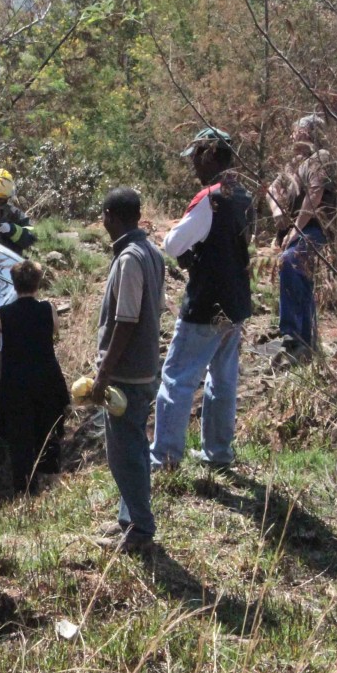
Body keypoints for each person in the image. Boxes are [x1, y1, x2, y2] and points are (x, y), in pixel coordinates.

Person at [152, 127, 255, 474]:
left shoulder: (209, 198)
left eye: (196, 155)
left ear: (210, 155)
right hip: (236, 298)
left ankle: (165, 457)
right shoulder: (243, 194)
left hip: (207, 300)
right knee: (223, 378)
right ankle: (218, 452)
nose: (193, 164)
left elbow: (172, 244)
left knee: (178, 377)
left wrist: (185, 248)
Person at [90, 187, 165, 554]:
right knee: (128, 447)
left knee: (126, 452)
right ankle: (129, 519)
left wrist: (104, 371)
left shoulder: (130, 258)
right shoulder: (151, 252)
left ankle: (140, 528)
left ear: (109, 215)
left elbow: (127, 320)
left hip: (128, 373)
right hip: (143, 367)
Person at [0, 259, 70, 493]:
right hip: (47, 380)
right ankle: (51, 487)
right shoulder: (48, 308)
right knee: (48, 433)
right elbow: (54, 332)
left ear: (14, 284)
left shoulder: (1, 315)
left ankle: (25, 493)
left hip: (17, 385)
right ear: (37, 283)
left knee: (20, 441)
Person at [266, 114, 337, 364]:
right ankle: (303, 343)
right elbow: (273, 189)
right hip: (298, 230)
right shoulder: (293, 165)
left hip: (315, 230)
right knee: (296, 274)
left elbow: (315, 195)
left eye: (295, 131)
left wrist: (295, 230)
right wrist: (278, 213)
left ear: (307, 133)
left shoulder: (321, 158)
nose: (291, 136)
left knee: (291, 260)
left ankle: (295, 336)